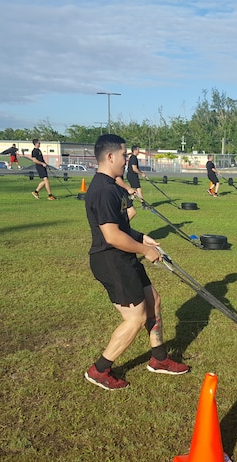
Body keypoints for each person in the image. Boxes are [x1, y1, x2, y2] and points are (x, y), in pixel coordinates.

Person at [84, 134, 189, 390]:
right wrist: (144, 249)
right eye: (123, 155)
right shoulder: (103, 190)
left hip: (122, 256)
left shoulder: (111, 187)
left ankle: (159, 359)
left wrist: (142, 237)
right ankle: (99, 369)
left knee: (153, 300)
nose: (127, 160)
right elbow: (111, 235)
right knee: (135, 319)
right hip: (111, 261)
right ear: (110, 157)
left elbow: (119, 227)